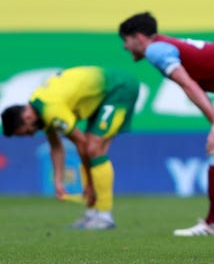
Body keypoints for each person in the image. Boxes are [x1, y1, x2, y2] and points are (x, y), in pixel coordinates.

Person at [119, 12, 214, 236]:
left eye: (126, 40)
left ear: (138, 37)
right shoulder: (165, 45)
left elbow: (189, 85)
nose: (125, 47)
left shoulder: (155, 50)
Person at [1, 66, 139, 229]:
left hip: (118, 87)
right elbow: (56, 146)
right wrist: (58, 182)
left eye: (25, 132)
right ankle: (92, 214)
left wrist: (89, 184)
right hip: (102, 97)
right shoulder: (39, 107)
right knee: (92, 148)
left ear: (27, 116)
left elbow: (81, 143)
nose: (30, 135)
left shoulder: (50, 110)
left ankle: (104, 215)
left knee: (93, 149)